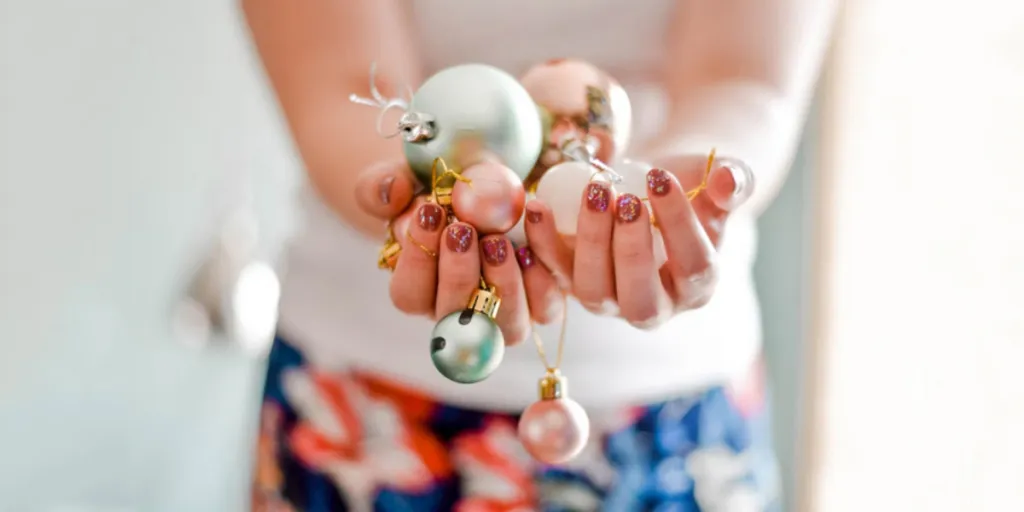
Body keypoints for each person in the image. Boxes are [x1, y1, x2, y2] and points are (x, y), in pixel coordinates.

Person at [242, 0, 836, 510]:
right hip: (358, 399)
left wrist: (690, 190)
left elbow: (744, 79)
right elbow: (339, 80)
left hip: (678, 410)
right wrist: (429, 205)